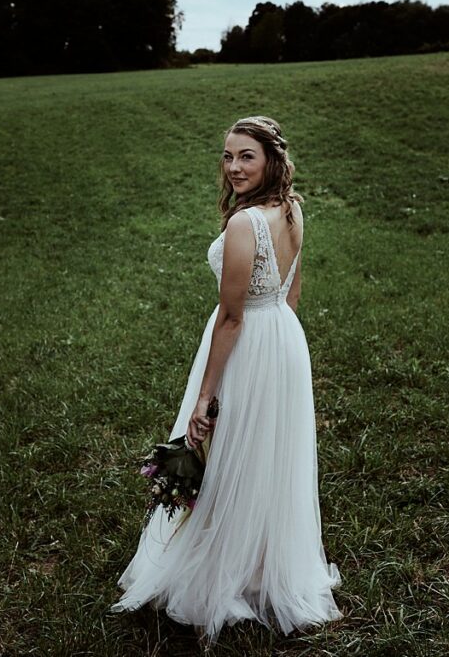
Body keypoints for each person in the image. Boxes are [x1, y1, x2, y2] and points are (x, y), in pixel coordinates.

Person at [112, 117, 341, 640]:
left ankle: (222, 569)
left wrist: (205, 395)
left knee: (227, 449)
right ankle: (261, 562)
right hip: (284, 338)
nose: (234, 167)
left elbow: (232, 315)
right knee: (264, 452)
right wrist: (281, 347)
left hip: (248, 341)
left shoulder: (244, 225)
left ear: (271, 160)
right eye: (227, 156)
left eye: (247, 157)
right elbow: (293, 293)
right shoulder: (293, 209)